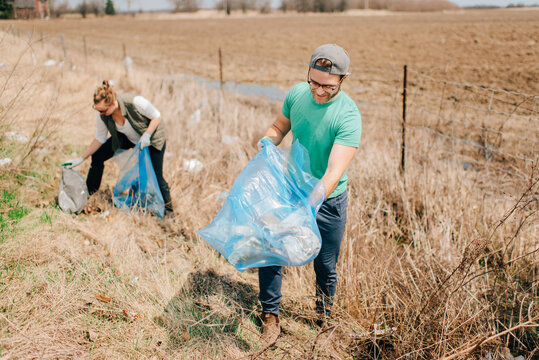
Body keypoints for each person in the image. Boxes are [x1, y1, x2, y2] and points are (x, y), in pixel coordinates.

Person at [256, 44, 362, 345]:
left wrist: (309, 205)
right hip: (290, 188)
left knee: (326, 265)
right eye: (313, 82)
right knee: (272, 249)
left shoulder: (349, 116)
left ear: (343, 79)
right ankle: (271, 316)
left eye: (327, 86)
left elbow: (333, 173)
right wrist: (268, 140)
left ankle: (324, 318)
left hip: (328, 201)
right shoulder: (297, 95)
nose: (318, 91)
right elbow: (280, 126)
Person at [63, 81, 173, 217]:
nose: (101, 113)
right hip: (127, 138)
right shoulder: (103, 116)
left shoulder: (135, 101)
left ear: (114, 104)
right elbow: (99, 138)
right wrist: (81, 158)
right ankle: (90, 192)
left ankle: (169, 212)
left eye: (103, 110)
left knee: (156, 176)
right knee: (98, 156)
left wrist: (147, 135)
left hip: (152, 139)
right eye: (97, 110)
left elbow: (157, 116)